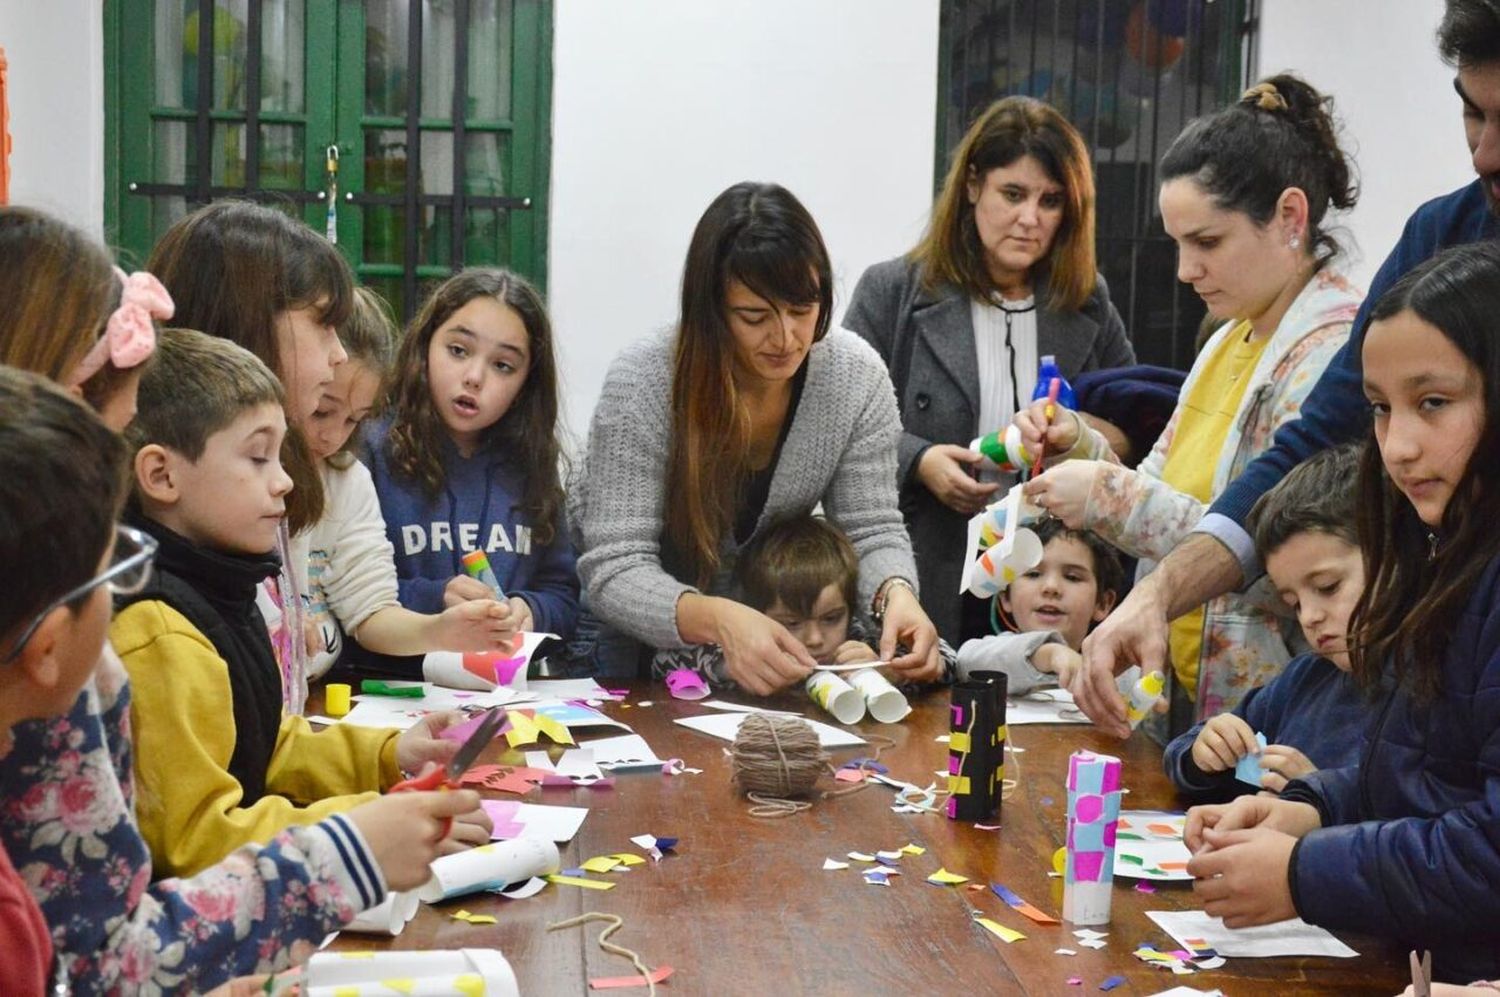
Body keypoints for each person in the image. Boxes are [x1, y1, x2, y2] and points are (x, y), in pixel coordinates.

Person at [0, 208, 475, 992]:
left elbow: (257, 742)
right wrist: (346, 852)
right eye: (322, 325)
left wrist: (385, 760)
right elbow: (106, 955)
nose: (336, 354)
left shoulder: (191, 571)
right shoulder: (128, 624)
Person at [1073, 0, 1500, 737]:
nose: (1485, 154)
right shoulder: (1442, 233)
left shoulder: (1323, 329)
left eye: (1431, 403)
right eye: (1472, 115)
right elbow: (1312, 447)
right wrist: (1160, 591)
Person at [1182, 243, 1500, 984]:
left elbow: (1489, 849)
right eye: (1382, 409)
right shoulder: (1449, 556)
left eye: (1434, 403)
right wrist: (1310, 808)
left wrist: (1305, 869)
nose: (1399, 445)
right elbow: (1422, 776)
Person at [1017, 73, 1363, 733]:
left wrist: (1104, 495)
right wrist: (1083, 452)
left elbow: (1265, 536)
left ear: (1290, 217)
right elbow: (1165, 481)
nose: (1184, 270)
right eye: (1178, 244)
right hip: (1188, 697)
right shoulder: (1232, 335)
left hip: (1272, 714)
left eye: (1206, 242)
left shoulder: (1332, 354)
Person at [114, 328, 492, 878]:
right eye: (259, 457)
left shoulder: (220, 589)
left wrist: (387, 757)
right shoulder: (160, 631)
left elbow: (261, 744)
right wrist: (367, 829)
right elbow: (195, 841)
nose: (286, 481)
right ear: (161, 474)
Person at [572, 181, 941, 695]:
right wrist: (720, 619)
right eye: (755, 317)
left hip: (764, 650)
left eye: (803, 310)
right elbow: (614, 566)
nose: (786, 338)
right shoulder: (646, 380)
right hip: (626, 651)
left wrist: (895, 594)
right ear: (711, 311)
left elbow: (872, 527)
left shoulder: (855, 377)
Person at [843, 95, 1135, 645]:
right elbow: (838, 424)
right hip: (927, 562)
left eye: (1050, 202)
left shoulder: (1086, 300)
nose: (1030, 219)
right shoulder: (893, 292)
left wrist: (1075, 436)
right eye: (1013, 194)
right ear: (973, 185)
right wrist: (920, 459)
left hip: (1046, 581)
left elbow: (1134, 430)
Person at [148, 200, 355, 710]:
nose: (340, 355)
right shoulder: (163, 603)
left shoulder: (266, 486)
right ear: (248, 328)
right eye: (323, 325)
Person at [303, 286, 517, 679]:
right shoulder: (239, 480)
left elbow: (369, 612)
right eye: (321, 411)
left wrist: (439, 630)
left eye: (354, 419)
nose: (333, 436)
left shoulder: (345, 478)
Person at [361, 269, 579, 654]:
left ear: (526, 384)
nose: (474, 377)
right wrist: (436, 597)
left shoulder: (532, 465)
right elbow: (346, 591)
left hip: (501, 688)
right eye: (458, 351)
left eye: (503, 366)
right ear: (425, 347)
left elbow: (563, 596)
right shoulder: (372, 449)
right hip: (389, 688)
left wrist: (529, 610)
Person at [1163, 445, 1367, 801]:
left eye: (1327, 587)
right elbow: (1183, 753)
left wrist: (1322, 799)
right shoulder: (1304, 680)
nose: (1309, 616)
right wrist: (1203, 751)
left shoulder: (1434, 694)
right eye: (1293, 602)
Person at [954, 517, 1122, 695]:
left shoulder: (1118, 668)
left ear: (1103, 603)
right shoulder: (988, 653)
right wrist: (1049, 654)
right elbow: (966, 662)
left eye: (1072, 577)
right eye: (1033, 574)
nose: (1051, 588)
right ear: (1005, 597)